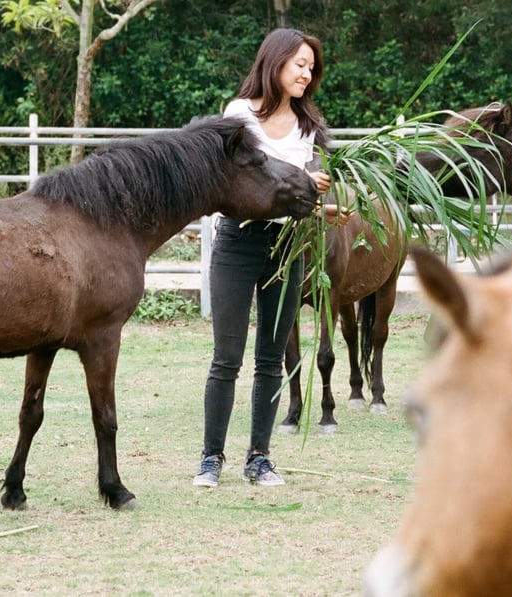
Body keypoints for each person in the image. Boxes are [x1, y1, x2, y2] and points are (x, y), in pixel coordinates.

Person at [193, 28, 348, 488]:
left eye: (311, 67)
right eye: (299, 63)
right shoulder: (239, 115)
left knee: (271, 359)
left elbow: (298, 196)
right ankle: (210, 459)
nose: (307, 72)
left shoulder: (309, 127)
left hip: (287, 247)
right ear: (275, 61)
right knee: (227, 358)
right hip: (238, 243)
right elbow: (234, 183)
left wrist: (322, 205)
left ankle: (259, 458)